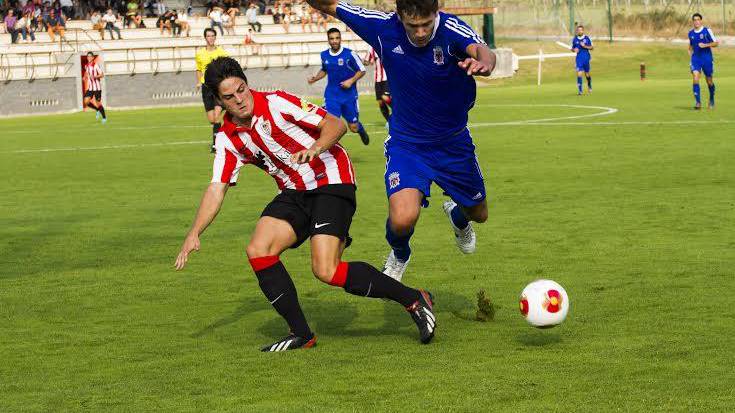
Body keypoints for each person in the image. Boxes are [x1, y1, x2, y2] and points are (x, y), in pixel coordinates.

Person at [174, 56, 436, 351]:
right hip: (293, 191)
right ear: (219, 102)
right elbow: (216, 188)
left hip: (330, 179)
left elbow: (335, 125)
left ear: (247, 84)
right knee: (258, 250)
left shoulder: (276, 102)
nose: (240, 99)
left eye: (242, 90)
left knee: (326, 270)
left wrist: (315, 148)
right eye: (229, 97)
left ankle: (413, 298)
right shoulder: (227, 138)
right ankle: (301, 333)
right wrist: (194, 232)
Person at [306, 0, 495, 281]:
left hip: (453, 144)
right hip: (408, 144)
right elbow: (331, 5)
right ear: (399, 17)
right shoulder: (382, 28)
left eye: (426, 24)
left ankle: (458, 217)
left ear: (436, 12)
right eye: (412, 25)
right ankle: (400, 253)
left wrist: (484, 64)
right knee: (402, 218)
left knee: (479, 214)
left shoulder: (452, 28)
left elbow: (483, 52)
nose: (420, 33)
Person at [307, 28, 370, 145]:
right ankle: (328, 154)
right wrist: (315, 78)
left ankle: (360, 130)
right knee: (329, 125)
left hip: (349, 97)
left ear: (340, 39)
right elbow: (325, 69)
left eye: (337, 38)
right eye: (332, 38)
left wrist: (351, 81)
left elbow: (362, 70)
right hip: (331, 96)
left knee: (353, 127)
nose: (334, 41)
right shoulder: (324, 55)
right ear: (328, 40)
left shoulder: (349, 54)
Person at [195, 28, 229, 152]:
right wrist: (199, 81)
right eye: (208, 36)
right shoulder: (199, 53)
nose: (210, 38)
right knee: (212, 119)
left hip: (218, 88)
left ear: (215, 37)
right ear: (205, 38)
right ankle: (221, 139)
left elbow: (227, 68)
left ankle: (217, 145)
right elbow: (198, 69)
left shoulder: (222, 52)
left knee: (216, 117)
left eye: (212, 35)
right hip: (206, 88)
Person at [688, 13, 718, 110]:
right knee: (695, 77)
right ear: (693, 21)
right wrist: (690, 57)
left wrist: (705, 45)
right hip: (696, 59)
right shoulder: (690, 33)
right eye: (694, 20)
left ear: (701, 21)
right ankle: (698, 102)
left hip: (707, 58)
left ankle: (712, 98)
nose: (696, 21)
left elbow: (716, 43)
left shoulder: (707, 31)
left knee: (709, 81)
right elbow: (691, 46)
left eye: (698, 19)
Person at [363, 46, 391, 125]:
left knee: (385, 97)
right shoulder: (372, 48)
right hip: (378, 79)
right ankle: (389, 121)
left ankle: (399, 113)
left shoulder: (386, 45)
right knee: (380, 102)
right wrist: (366, 62)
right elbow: (366, 61)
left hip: (387, 77)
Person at [83, 52, 108, 123]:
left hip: (97, 88)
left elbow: (102, 75)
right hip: (90, 88)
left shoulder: (96, 65)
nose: (89, 58)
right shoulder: (86, 66)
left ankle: (104, 118)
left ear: (93, 57)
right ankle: (97, 110)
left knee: (98, 103)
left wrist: (95, 76)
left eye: (90, 56)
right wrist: (84, 77)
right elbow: (86, 72)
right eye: (88, 56)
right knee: (86, 102)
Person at [571, 25, 593, 95]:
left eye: (581, 30)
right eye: (578, 30)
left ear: (583, 31)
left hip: (586, 58)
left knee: (587, 74)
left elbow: (592, 48)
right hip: (579, 59)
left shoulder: (587, 38)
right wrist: (574, 50)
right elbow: (572, 49)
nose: (579, 31)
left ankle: (589, 85)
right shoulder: (575, 39)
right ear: (577, 31)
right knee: (579, 73)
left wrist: (584, 46)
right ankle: (580, 91)